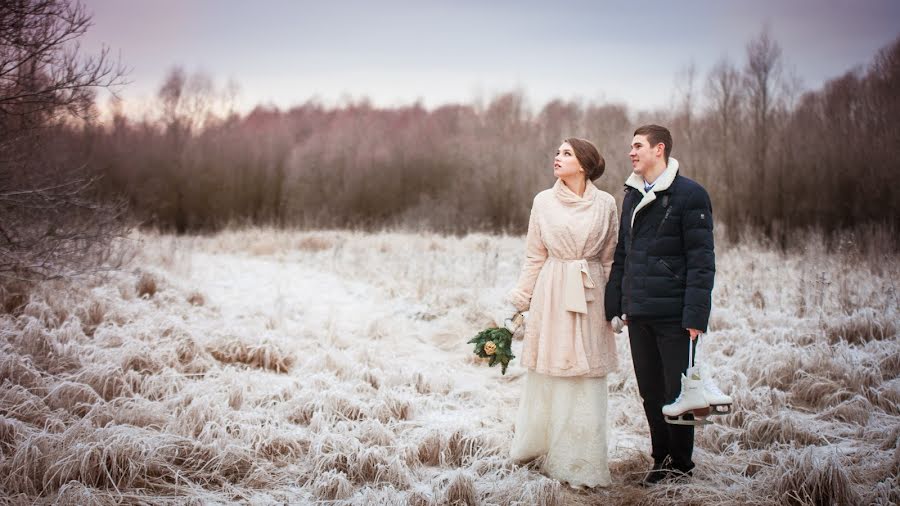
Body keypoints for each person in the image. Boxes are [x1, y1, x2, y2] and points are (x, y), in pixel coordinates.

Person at [499, 137, 619, 489]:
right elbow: (535, 254)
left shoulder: (606, 204)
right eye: (557, 152)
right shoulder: (543, 201)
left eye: (566, 153)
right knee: (552, 366)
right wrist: (522, 298)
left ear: (583, 163)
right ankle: (538, 445)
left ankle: (579, 458)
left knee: (586, 370)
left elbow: (611, 258)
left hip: (591, 291)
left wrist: (616, 306)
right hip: (552, 289)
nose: (557, 157)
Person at [604, 124, 715, 485]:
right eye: (631, 146)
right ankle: (660, 459)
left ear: (659, 149)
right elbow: (624, 252)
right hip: (638, 313)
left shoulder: (690, 195)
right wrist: (615, 301)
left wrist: (696, 315)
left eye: (638, 146)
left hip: (674, 316)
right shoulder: (632, 195)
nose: (631, 153)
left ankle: (680, 466)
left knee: (677, 394)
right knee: (650, 393)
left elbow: (701, 260)